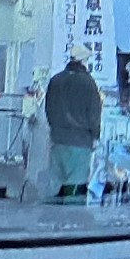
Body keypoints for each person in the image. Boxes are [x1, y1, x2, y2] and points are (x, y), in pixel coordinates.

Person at [43, 48, 102, 202]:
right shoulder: (88, 83)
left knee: (55, 188)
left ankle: (51, 215)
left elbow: (48, 109)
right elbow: (94, 114)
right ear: (83, 61)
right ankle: (71, 216)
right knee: (74, 191)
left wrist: (55, 129)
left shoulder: (55, 80)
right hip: (80, 144)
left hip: (57, 141)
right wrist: (95, 136)